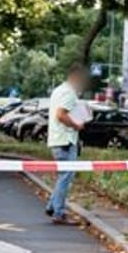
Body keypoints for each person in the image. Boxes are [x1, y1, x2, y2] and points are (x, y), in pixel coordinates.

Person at [45, 62, 89, 225]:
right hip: (65, 140)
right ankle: (59, 212)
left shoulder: (58, 90)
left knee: (63, 176)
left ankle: (52, 205)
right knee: (66, 176)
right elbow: (61, 115)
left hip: (56, 139)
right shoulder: (69, 93)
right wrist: (76, 125)